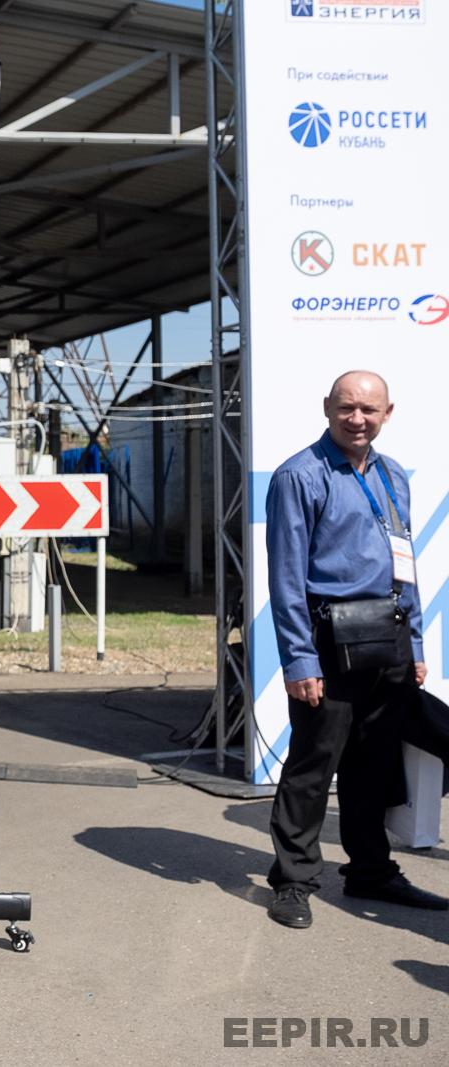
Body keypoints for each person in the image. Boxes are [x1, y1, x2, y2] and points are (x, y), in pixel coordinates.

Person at [263, 370, 448, 928]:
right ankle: (293, 881)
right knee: (314, 764)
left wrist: (413, 642)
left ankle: (370, 871)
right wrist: (299, 659)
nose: (358, 419)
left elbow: (403, 564)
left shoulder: (393, 476)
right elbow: (287, 578)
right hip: (329, 643)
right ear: (327, 408)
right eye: (347, 408)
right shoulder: (300, 476)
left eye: (369, 410)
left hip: (387, 638)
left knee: (376, 760)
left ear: (388, 413)